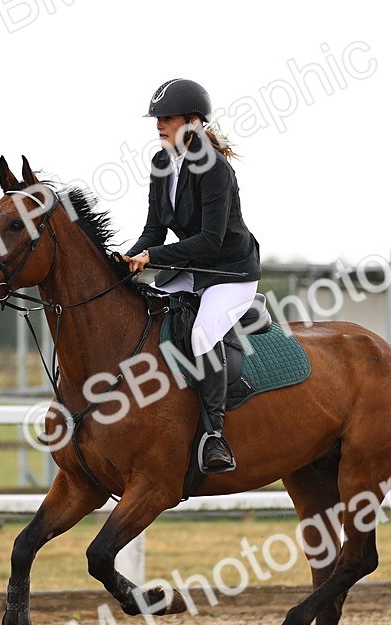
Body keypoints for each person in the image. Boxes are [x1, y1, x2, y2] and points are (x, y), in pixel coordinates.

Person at [123, 78, 261, 474]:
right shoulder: (161, 163)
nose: (158, 125)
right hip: (191, 267)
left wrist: (153, 256)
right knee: (146, 311)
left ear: (193, 122)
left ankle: (214, 435)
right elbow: (154, 230)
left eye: (166, 118)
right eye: (158, 118)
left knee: (202, 334)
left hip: (230, 271)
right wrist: (131, 256)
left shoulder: (215, 169)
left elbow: (211, 240)